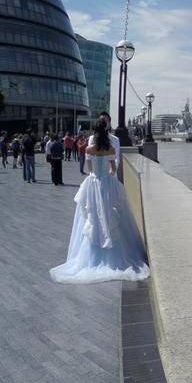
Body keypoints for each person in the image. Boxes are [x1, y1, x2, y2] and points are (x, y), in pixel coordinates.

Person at [50, 118, 149, 284]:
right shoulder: (109, 147)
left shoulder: (89, 148)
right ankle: (113, 252)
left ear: (94, 132)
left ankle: (93, 254)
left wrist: (96, 173)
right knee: (111, 215)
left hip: (93, 183)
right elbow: (113, 169)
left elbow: (89, 169)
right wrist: (108, 174)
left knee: (93, 216)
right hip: (108, 184)